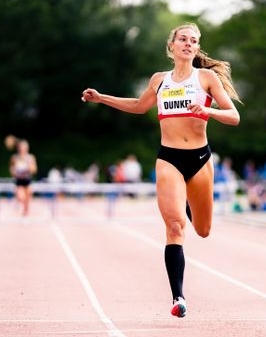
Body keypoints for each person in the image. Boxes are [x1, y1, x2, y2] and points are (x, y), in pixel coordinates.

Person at [82, 23, 240, 318]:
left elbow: (234, 115)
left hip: (200, 159)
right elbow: (139, 106)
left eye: (193, 41)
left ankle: (191, 205)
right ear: (172, 46)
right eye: (183, 39)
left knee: (203, 230)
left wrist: (209, 111)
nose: (188, 44)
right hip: (169, 158)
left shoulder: (205, 78)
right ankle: (178, 296)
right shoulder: (159, 80)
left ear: (196, 48)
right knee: (174, 226)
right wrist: (101, 97)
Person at [9, 139, 37, 216]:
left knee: (28, 199)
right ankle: (20, 203)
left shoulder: (30, 157)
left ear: (27, 148)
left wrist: (28, 166)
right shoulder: (15, 158)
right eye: (21, 147)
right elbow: (11, 169)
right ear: (19, 148)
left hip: (28, 180)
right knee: (21, 197)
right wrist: (14, 171)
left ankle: (25, 211)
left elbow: (34, 170)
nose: (22, 149)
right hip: (19, 180)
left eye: (24, 147)